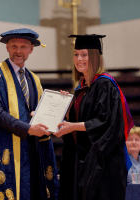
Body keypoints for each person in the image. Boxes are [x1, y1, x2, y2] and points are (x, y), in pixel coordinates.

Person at [0, 28, 59, 200]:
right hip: (6, 151)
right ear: (7, 47)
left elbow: (41, 114)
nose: (18, 51)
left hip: (32, 152)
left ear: (31, 49)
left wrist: (58, 105)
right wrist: (28, 129)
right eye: (14, 46)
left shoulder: (34, 79)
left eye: (23, 46)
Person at [55, 34, 134, 200]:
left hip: (103, 164)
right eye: (76, 54)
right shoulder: (82, 88)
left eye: (84, 54)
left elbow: (105, 123)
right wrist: (66, 108)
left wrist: (73, 126)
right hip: (83, 160)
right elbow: (78, 122)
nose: (79, 59)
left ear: (95, 57)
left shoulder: (105, 84)